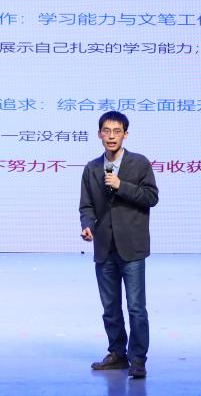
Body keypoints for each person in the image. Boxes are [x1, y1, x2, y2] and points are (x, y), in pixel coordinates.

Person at [79, 111, 159, 379]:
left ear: (125, 134)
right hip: (104, 247)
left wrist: (120, 185)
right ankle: (117, 354)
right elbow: (86, 206)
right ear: (99, 134)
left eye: (117, 131)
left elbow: (151, 197)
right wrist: (87, 225)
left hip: (132, 247)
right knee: (110, 308)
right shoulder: (91, 168)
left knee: (136, 307)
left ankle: (138, 359)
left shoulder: (139, 163)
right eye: (106, 131)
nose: (111, 136)